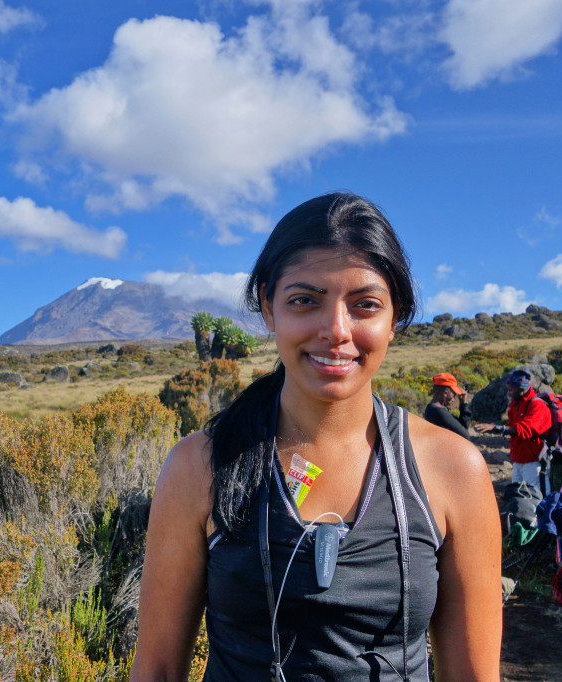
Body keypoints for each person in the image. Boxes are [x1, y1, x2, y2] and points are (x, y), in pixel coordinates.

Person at [131, 193, 502, 681]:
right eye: (305, 300)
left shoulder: (452, 468)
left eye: (365, 305)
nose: (335, 330)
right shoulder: (200, 467)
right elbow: (156, 669)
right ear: (269, 307)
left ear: (397, 318)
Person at [474, 369, 552, 492]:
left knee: (537, 498)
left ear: (522, 389)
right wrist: (496, 428)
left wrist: (496, 428)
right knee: (518, 496)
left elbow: (525, 429)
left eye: (511, 390)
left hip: (533, 462)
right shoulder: (516, 405)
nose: (509, 393)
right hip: (518, 460)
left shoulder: (537, 405)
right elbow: (512, 427)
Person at [423, 372, 473, 440]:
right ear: (445, 393)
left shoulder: (431, 409)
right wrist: (464, 405)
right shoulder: (439, 412)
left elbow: (463, 427)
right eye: (454, 393)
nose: (455, 396)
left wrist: (463, 403)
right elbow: (465, 436)